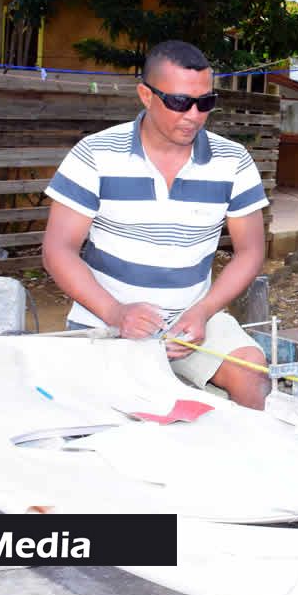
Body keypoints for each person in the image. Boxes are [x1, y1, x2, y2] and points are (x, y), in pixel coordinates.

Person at [42, 40, 271, 409]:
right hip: (104, 321)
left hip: (193, 320)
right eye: (180, 102)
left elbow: (251, 251)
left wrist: (203, 311)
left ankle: (235, 463)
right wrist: (117, 314)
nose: (194, 115)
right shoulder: (95, 155)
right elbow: (57, 250)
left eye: (205, 102)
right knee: (106, 423)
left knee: (252, 377)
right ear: (146, 95)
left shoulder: (233, 161)